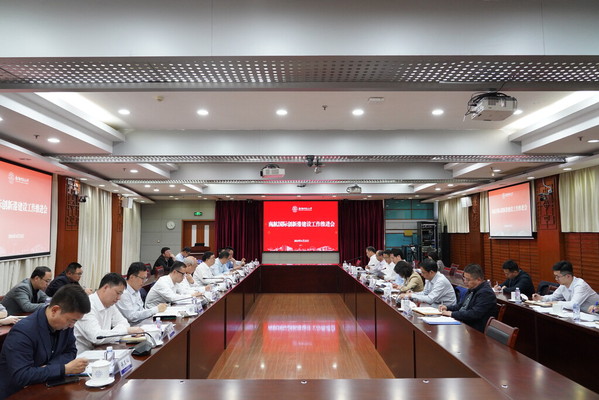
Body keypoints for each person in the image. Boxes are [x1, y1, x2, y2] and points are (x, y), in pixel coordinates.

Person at [0, 285, 91, 398]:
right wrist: (63, 369)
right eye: (71, 320)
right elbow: (22, 375)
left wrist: (47, 368)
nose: (72, 325)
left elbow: (71, 351)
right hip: (17, 394)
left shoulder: (65, 326)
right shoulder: (23, 331)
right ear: (55, 310)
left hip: (46, 386)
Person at [74, 273, 143, 353]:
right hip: (84, 355)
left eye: (121, 294)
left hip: (103, 350)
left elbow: (124, 323)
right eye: (118, 293)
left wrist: (113, 334)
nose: (119, 298)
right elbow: (97, 337)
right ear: (106, 287)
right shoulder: (88, 305)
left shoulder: (110, 305)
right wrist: (125, 331)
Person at [439, 264, 497, 332]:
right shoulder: (473, 289)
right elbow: (461, 305)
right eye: (464, 278)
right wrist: (447, 308)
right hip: (464, 323)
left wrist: (452, 314)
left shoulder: (486, 293)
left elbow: (474, 314)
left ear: (478, 280)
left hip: (474, 329)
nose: (465, 282)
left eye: (468, 280)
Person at [532, 260, 599, 311]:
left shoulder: (580, 285)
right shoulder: (563, 285)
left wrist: (556, 303)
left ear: (568, 276)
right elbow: (553, 297)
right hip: (580, 314)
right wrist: (541, 298)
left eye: (558, 276)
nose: (556, 279)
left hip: (594, 316)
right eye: (555, 276)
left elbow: (573, 305)